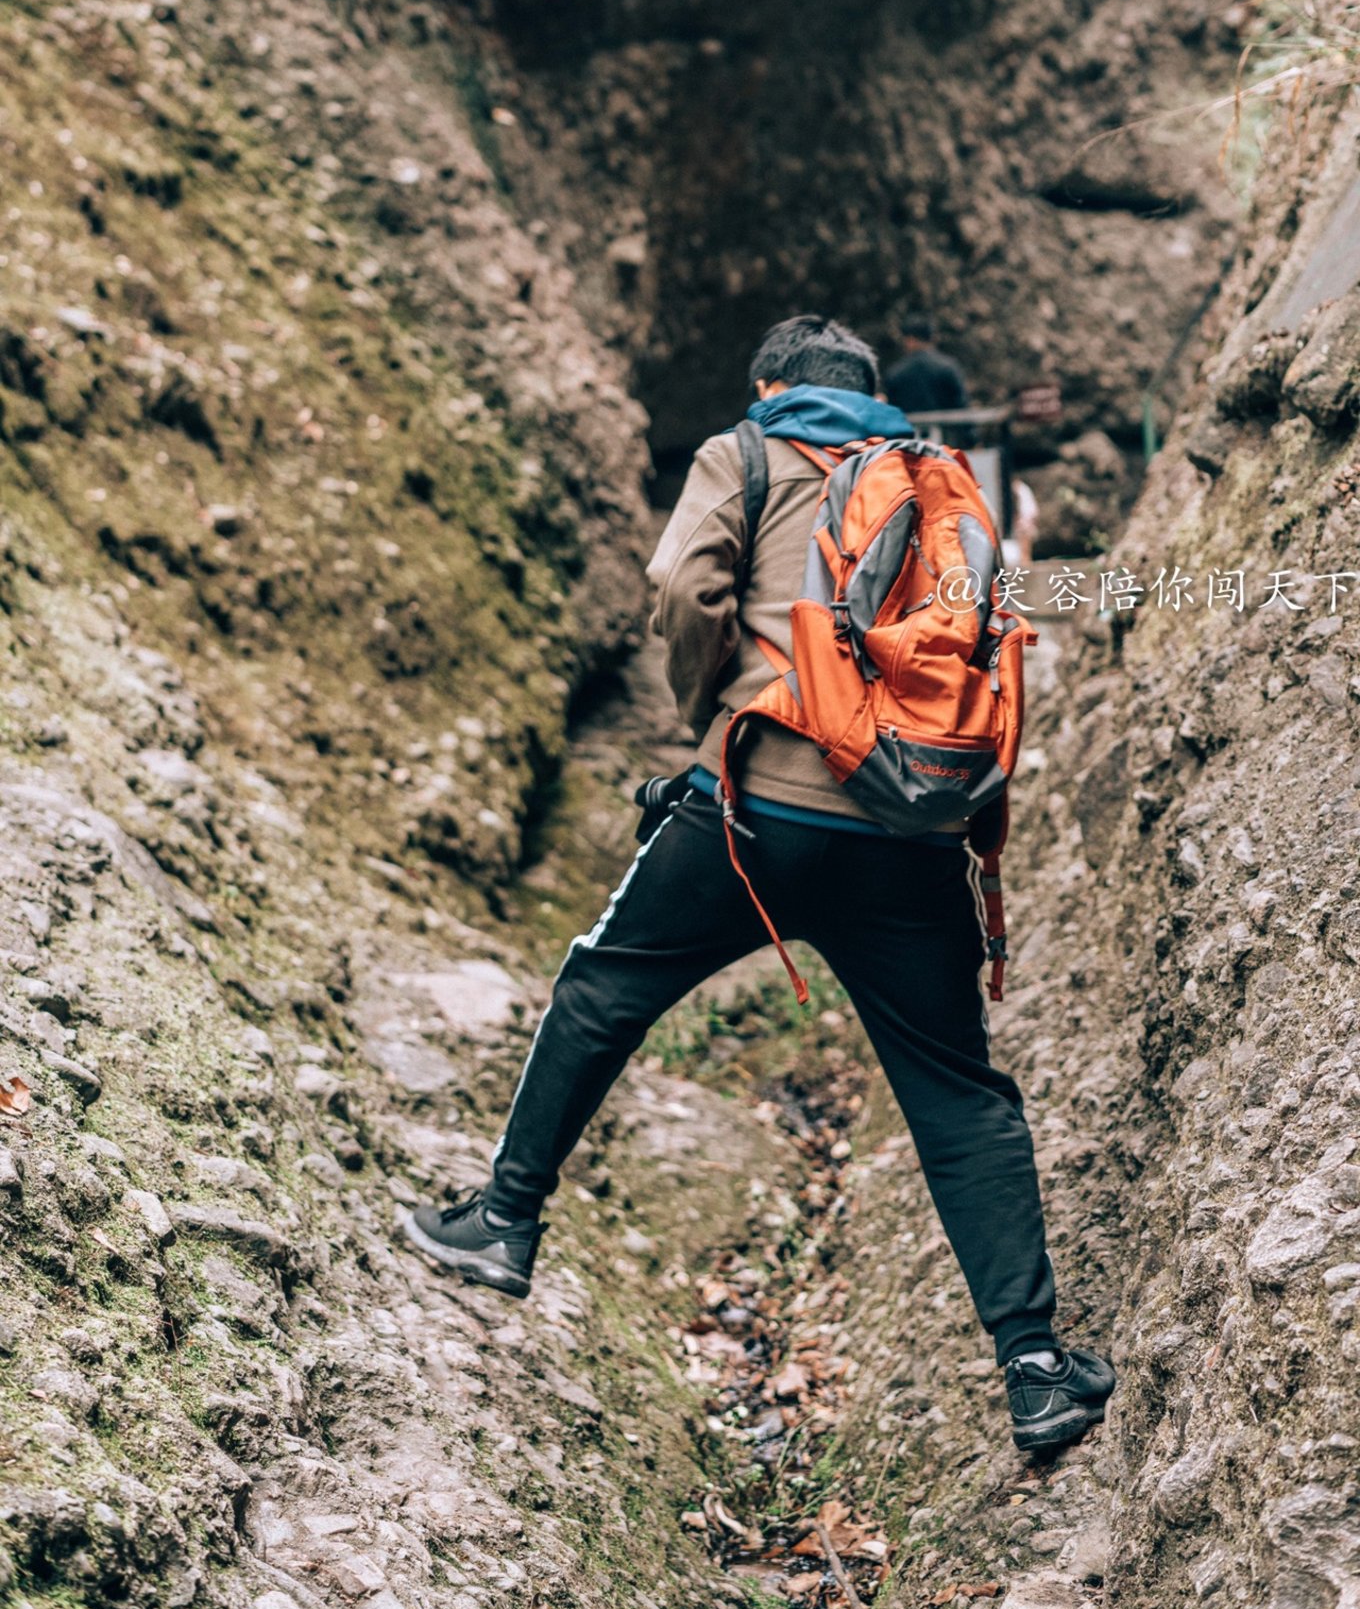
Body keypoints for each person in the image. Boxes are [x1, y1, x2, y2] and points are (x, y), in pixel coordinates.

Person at [402, 314, 1114, 1455]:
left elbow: (684, 588)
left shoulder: (742, 453)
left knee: (602, 988)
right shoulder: (935, 479)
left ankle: (502, 1220)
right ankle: (1034, 1371)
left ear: (770, 386)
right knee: (956, 1093)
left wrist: (710, 719)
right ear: (875, 396)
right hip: (910, 833)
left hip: (753, 811)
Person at [883, 315, 970, 419]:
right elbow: (961, 404)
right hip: (946, 432)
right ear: (933, 338)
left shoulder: (896, 372)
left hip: (909, 433)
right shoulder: (948, 367)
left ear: (910, 339)